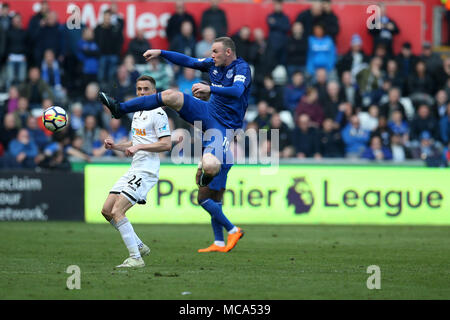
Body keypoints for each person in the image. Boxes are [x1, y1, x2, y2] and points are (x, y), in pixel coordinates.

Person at [99, 37, 249, 253]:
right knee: (170, 95)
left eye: (215, 51)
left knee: (210, 164)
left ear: (228, 52)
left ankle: (210, 187)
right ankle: (120, 108)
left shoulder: (242, 68)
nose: (211, 55)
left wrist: (210, 89)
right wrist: (161, 52)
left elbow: (236, 92)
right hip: (207, 112)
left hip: (224, 127)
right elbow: (188, 61)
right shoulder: (213, 65)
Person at [101, 75, 172, 268]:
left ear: (154, 92)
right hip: (134, 168)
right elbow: (135, 143)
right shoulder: (138, 113)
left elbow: (166, 144)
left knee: (118, 211)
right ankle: (139, 245)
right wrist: (115, 146)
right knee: (107, 211)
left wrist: (139, 148)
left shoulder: (157, 113)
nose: (141, 92)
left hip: (146, 171)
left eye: (146, 89)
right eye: (139, 89)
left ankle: (136, 258)